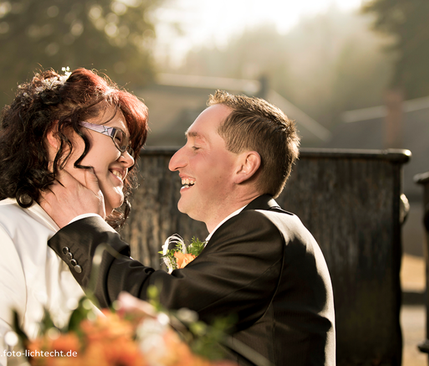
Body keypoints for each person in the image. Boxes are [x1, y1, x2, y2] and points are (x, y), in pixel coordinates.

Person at [43, 91, 336, 366]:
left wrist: (82, 223)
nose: (174, 162)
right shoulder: (269, 229)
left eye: (196, 147)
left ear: (245, 166)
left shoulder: (264, 230)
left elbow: (156, 307)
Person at [0, 67, 148, 365]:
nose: (129, 158)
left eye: (131, 147)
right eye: (118, 138)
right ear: (59, 136)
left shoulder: (102, 250)